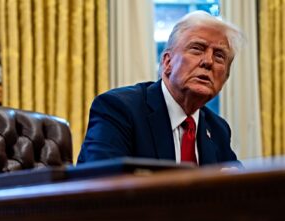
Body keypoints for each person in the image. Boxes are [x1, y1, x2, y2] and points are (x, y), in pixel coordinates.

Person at [77, 11, 244, 166]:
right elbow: (101, 185)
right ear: (167, 62)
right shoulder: (119, 109)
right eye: (197, 49)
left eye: (219, 56)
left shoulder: (218, 129)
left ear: (225, 78)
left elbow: (243, 190)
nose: (208, 61)